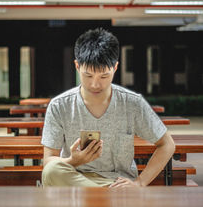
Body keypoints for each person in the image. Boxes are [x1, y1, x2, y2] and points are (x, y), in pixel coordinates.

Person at [41, 28, 175, 187]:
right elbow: (48, 161)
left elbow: (167, 144)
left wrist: (140, 183)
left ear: (115, 67)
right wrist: (73, 161)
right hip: (75, 179)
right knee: (51, 170)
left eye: (104, 76)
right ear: (77, 66)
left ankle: (100, 197)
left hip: (116, 183)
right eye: (88, 75)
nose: (95, 84)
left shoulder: (132, 103)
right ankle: (105, 198)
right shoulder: (59, 106)